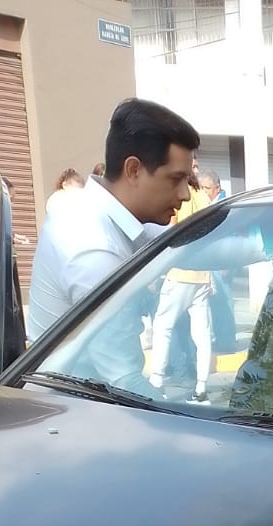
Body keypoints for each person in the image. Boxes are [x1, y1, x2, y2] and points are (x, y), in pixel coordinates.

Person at [28, 97, 199, 342]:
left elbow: (187, 244)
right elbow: (121, 373)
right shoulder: (95, 251)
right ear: (134, 170)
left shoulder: (91, 209)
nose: (184, 195)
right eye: (175, 179)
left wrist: (264, 241)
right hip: (75, 380)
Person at [150, 176, 213, 403]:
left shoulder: (180, 194)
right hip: (203, 272)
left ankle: (157, 382)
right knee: (202, 333)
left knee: (162, 326)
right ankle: (202, 387)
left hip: (180, 271)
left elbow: (171, 231)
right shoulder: (203, 196)